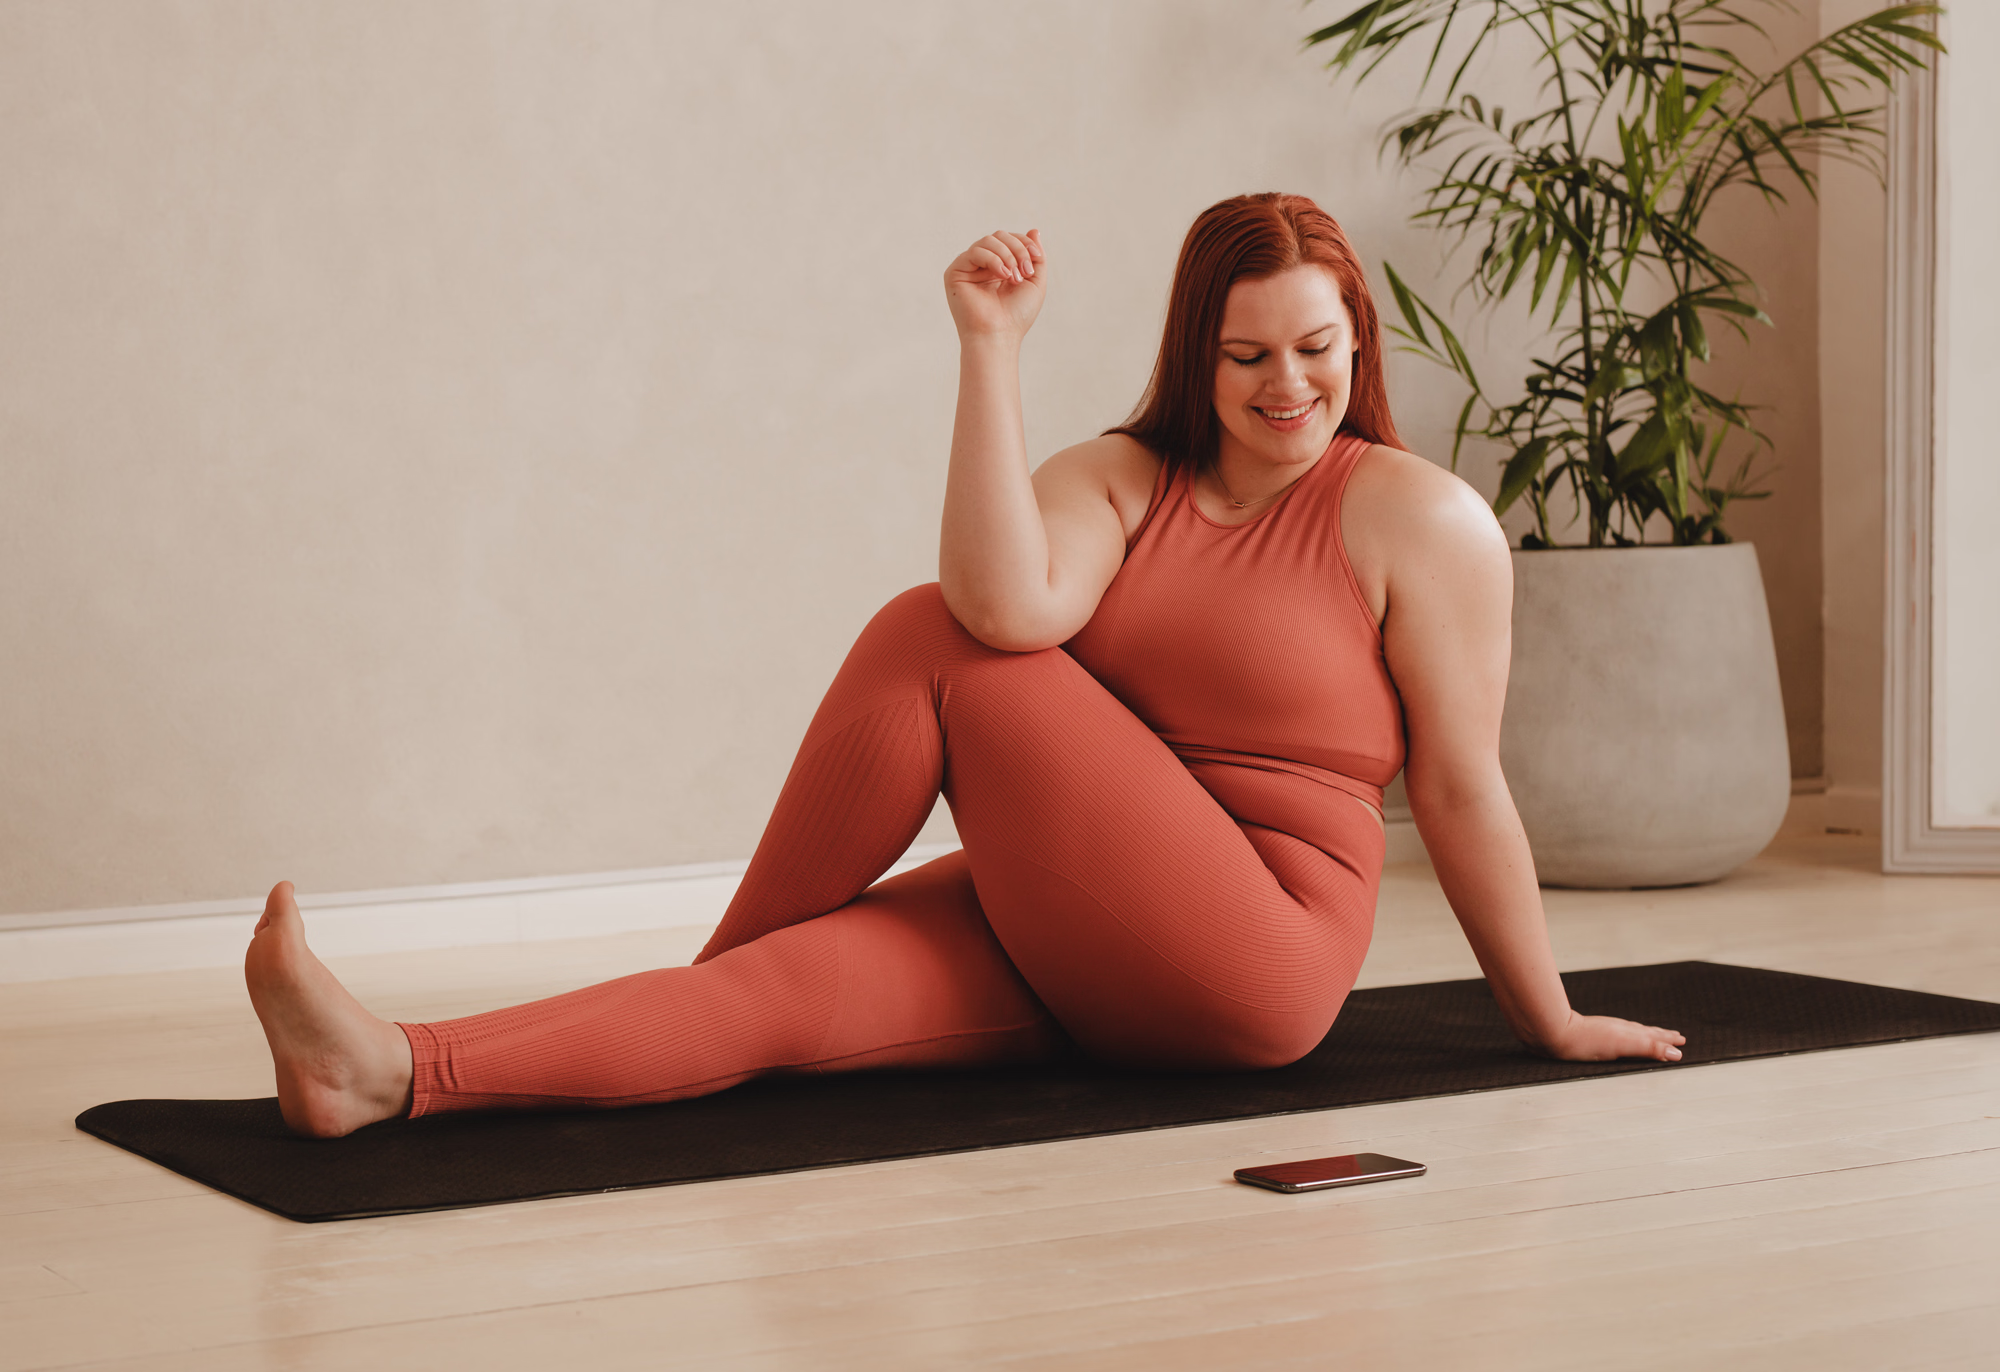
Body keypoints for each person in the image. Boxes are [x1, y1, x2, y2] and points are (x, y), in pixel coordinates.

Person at [245, 193, 1685, 1140]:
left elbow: (1460, 784)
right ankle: (385, 1073)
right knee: (779, 996)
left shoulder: (1418, 516)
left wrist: (1545, 1016)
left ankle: (709, 981)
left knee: (936, 636)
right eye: (1246, 356)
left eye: (1315, 348)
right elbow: (1012, 593)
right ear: (1198, 355)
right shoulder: (1122, 477)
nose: (1286, 386)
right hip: (1074, 911)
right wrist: (987, 347)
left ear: (1355, 340)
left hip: (1257, 952)